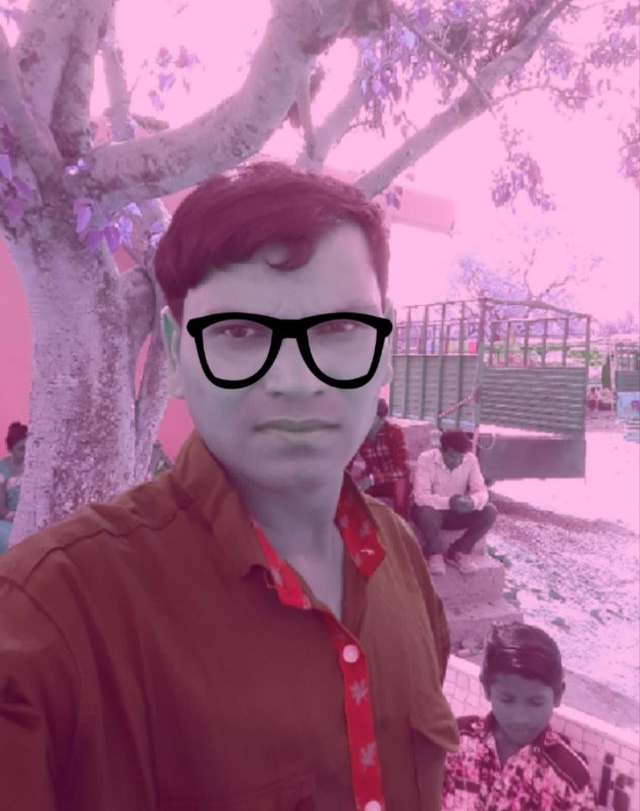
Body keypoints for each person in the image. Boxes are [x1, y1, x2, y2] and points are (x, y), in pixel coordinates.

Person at [0, 162, 458, 810]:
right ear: (175, 352)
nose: (296, 380)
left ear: (383, 348)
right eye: (240, 333)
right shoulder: (51, 617)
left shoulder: (403, 559)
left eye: (338, 329)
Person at [442, 622, 597, 810]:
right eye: (507, 700)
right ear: (487, 689)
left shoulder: (570, 779)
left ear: (558, 696)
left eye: (535, 702)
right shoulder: (454, 741)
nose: (520, 718)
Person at [411, 430, 496, 576]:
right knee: (425, 511)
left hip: (457, 513)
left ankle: (459, 551)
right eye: (452, 457)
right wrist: (449, 502)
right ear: (441, 450)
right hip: (432, 515)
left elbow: (481, 491)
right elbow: (420, 497)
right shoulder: (426, 459)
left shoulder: (470, 460)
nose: (457, 462)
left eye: (460, 458)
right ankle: (434, 553)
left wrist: (472, 501)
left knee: (489, 511)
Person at [347, 397, 412, 519]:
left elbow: (403, 469)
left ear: (382, 419)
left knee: (402, 484)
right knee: (348, 486)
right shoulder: (359, 434)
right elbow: (347, 464)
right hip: (372, 480)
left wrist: (372, 479)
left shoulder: (394, 432)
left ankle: (401, 524)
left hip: (392, 480)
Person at [0, 421, 27, 553]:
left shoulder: (36, 466)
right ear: (10, 449)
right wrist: (14, 516)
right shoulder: (2, 469)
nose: (26, 453)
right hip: (8, 521)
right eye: (21, 449)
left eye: (29, 448)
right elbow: (1, 509)